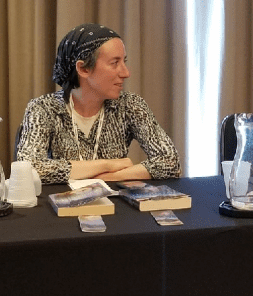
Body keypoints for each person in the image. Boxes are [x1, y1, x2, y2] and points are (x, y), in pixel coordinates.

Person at [16, 23, 181, 184]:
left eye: (124, 61)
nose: (126, 72)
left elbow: (170, 162)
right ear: (83, 69)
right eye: (114, 63)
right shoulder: (43, 109)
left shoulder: (130, 105)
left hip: (116, 208)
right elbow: (28, 168)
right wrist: (107, 164)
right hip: (63, 209)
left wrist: (106, 178)